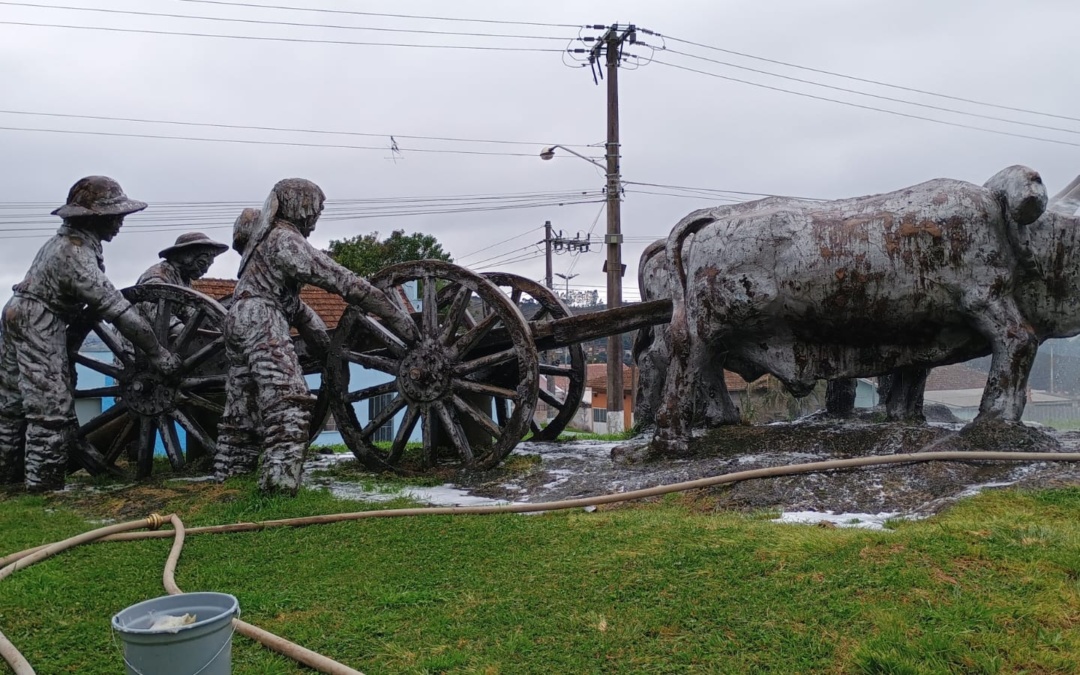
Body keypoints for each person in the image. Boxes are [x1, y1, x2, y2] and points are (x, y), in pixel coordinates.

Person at [215, 180, 416, 494]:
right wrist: (397, 318)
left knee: (242, 409)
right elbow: (340, 279)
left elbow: (298, 309)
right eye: (316, 210)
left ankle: (228, 478)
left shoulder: (264, 241)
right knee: (289, 401)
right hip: (261, 319)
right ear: (300, 206)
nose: (317, 218)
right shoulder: (284, 239)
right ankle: (277, 487)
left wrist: (327, 353)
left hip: (239, 318)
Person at [0, 176, 181, 491]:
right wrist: (157, 353)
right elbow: (119, 310)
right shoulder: (74, 256)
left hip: (20, 312)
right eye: (116, 216)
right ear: (96, 218)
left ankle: (7, 479)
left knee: (11, 405)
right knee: (50, 410)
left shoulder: (73, 243)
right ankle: (43, 487)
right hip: (37, 319)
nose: (121, 223)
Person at [136, 232, 228, 335]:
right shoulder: (158, 277)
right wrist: (185, 334)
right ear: (185, 258)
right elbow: (155, 312)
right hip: (140, 340)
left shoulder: (183, 280)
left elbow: (188, 310)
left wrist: (212, 328)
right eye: (201, 263)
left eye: (208, 265)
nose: (205, 270)